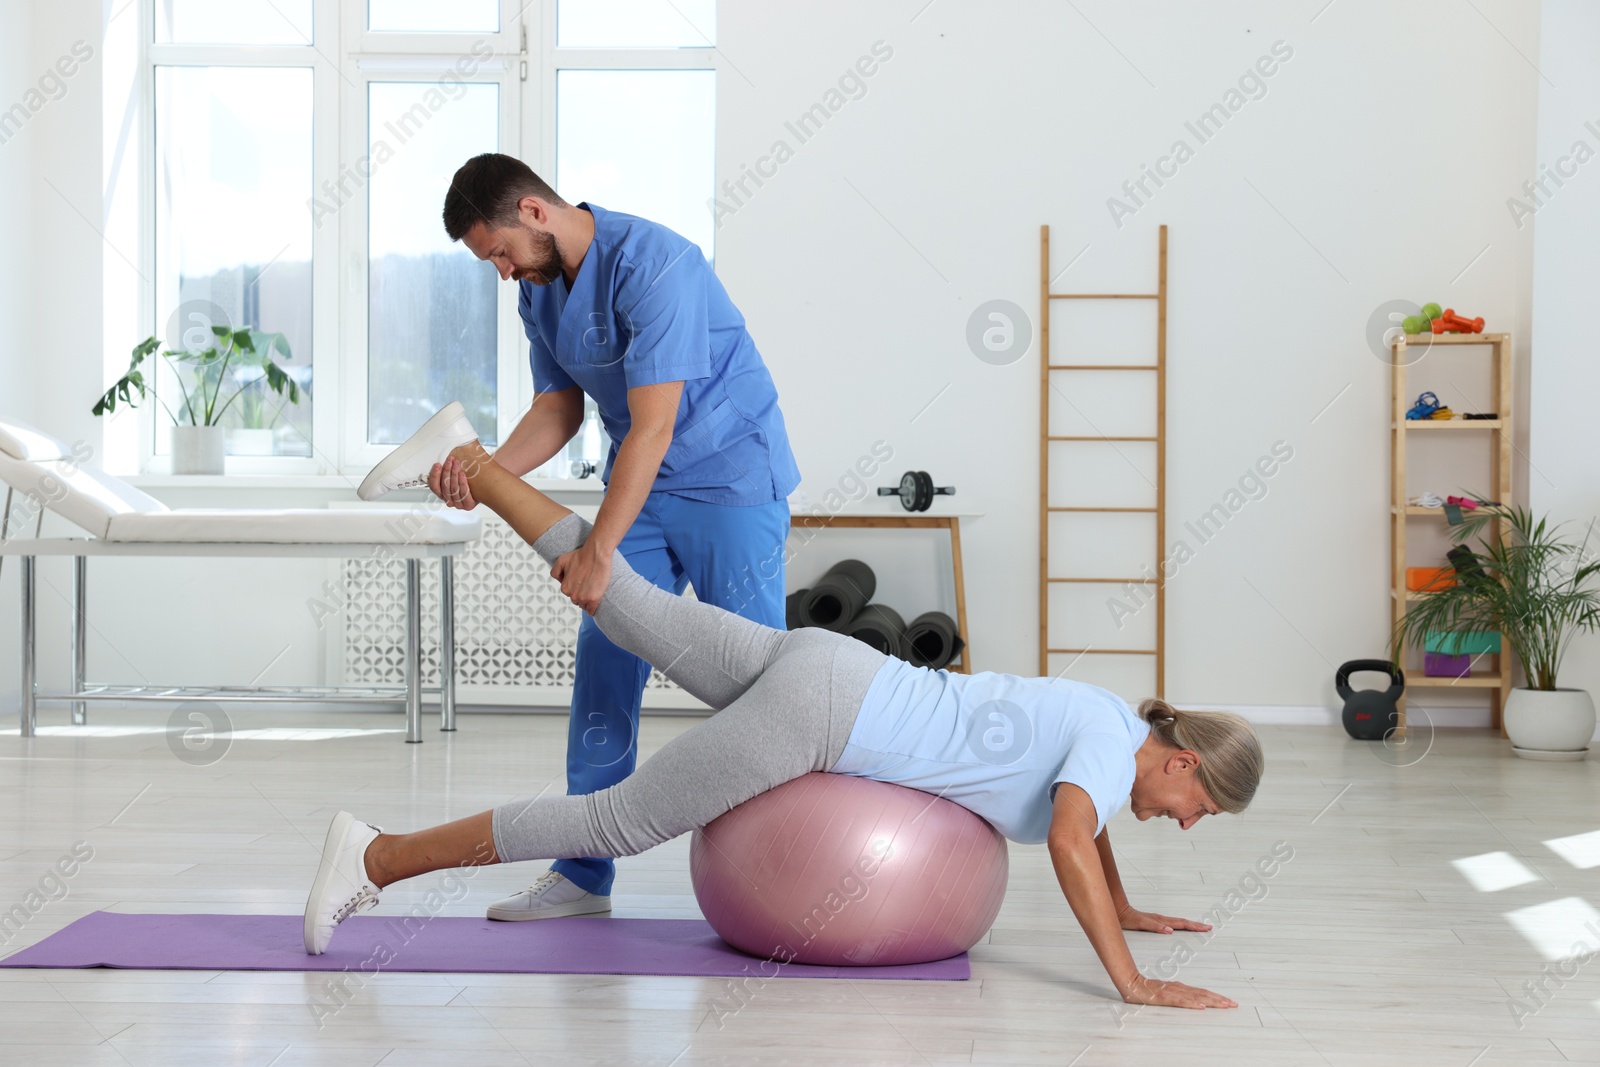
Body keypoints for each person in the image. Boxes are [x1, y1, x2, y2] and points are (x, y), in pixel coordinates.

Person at [315, 419, 1264, 1010]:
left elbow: (1089, 825)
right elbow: (1067, 839)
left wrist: (1128, 904)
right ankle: (375, 856)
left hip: (835, 664)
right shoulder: (1105, 754)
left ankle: (472, 462)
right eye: (1200, 809)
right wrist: (1130, 984)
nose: (1188, 824)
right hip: (829, 715)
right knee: (615, 820)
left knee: (627, 601)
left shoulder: (1108, 722)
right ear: (1182, 763)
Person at [425, 153, 801, 922]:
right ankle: (581, 873)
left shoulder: (659, 263)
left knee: (759, 681)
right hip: (646, 484)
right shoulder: (541, 291)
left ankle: (784, 861)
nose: (500, 273)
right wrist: (487, 474)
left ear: (533, 213)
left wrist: (598, 548)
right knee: (605, 658)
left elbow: (656, 421)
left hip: (731, 477)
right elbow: (559, 412)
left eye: (497, 252)